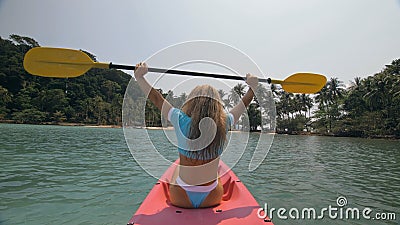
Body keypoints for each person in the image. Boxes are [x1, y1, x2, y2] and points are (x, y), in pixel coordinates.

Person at [134, 62, 258, 208]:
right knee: (216, 174)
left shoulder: (179, 119)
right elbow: (243, 104)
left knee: (178, 167)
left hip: (181, 196)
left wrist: (140, 77)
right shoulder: (224, 123)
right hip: (212, 197)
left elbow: (156, 98)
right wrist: (253, 87)